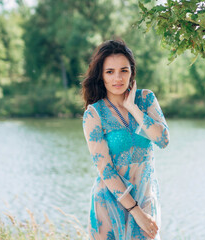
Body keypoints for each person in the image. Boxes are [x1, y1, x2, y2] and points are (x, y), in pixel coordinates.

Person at [81, 39, 170, 240]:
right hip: (110, 200)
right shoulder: (94, 114)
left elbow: (163, 140)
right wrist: (136, 212)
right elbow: (105, 169)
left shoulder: (146, 100)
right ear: (101, 76)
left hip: (145, 196)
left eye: (124, 70)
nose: (118, 78)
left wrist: (133, 108)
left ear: (132, 72)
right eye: (110, 72)